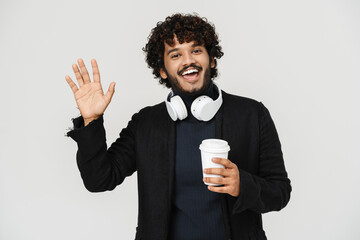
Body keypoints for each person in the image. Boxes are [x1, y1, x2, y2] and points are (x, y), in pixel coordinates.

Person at [66, 13, 291, 240]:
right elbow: (99, 180)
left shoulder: (252, 115)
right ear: (162, 70)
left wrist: (242, 184)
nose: (188, 61)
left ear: (211, 60)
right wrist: (91, 120)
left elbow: (280, 192)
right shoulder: (146, 123)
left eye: (196, 50)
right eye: (175, 54)